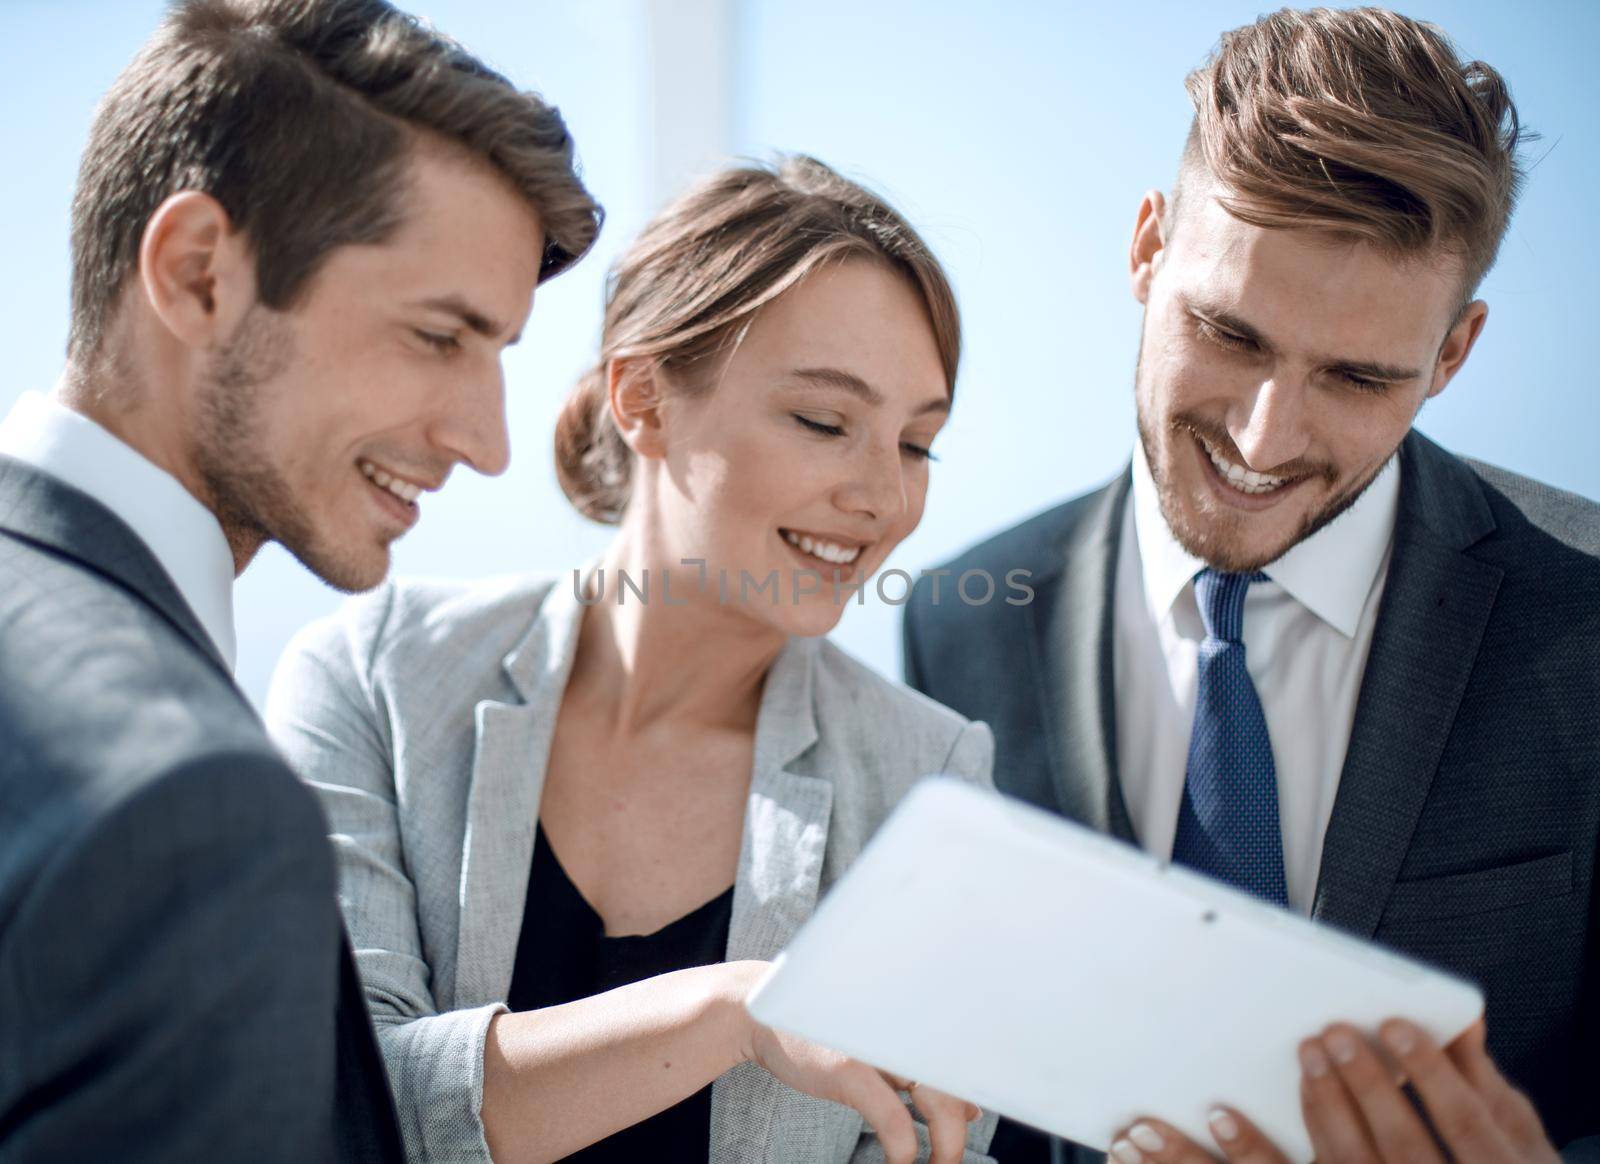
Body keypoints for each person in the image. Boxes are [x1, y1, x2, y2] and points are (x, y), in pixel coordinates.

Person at [903, 7, 1599, 1164]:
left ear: (1453, 354)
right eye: (1228, 333)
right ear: (1145, 247)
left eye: (1357, 377)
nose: (1263, 437)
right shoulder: (958, 619)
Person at [265, 155, 997, 1164]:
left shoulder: (927, 779)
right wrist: (727, 1011)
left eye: (917, 443)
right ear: (642, 398)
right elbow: (328, 1102)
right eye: (825, 422)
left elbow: (928, 1146)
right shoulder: (374, 679)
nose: (882, 497)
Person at [0, 0, 600, 1158]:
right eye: (439, 337)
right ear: (197, 275)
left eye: (501, 354)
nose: (488, 440)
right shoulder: (185, 807)